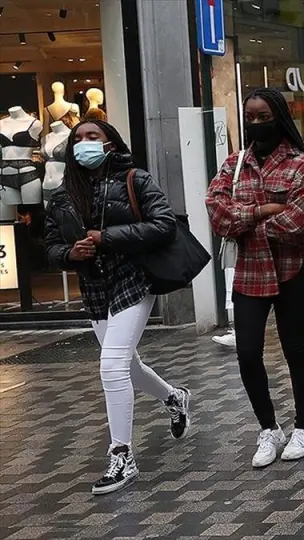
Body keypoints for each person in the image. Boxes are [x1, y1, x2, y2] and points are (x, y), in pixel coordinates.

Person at [44, 119, 190, 495]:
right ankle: (174, 397)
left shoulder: (134, 179)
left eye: (93, 136)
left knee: (111, 365)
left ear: (110, 143)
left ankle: (122, 455)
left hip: (133, 279)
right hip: (94, 287)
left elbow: (164, 225)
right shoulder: (62, 195)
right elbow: (51, 247)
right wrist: (71, 253)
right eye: (78, 139)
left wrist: (106, 237)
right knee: (129, 366)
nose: (84, 143)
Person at [206, 88, 304, 469]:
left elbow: (295, 222)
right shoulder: (235, 163)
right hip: (250, 272)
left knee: (295, 350)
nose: (256, 123)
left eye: (263, 117)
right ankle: (269, 428)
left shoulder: (300, 164)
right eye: (250, 117)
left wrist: (243, 217)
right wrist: (262, 210)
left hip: (290, 271)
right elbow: (217, 214)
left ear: (279, 117)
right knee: (247, 352)